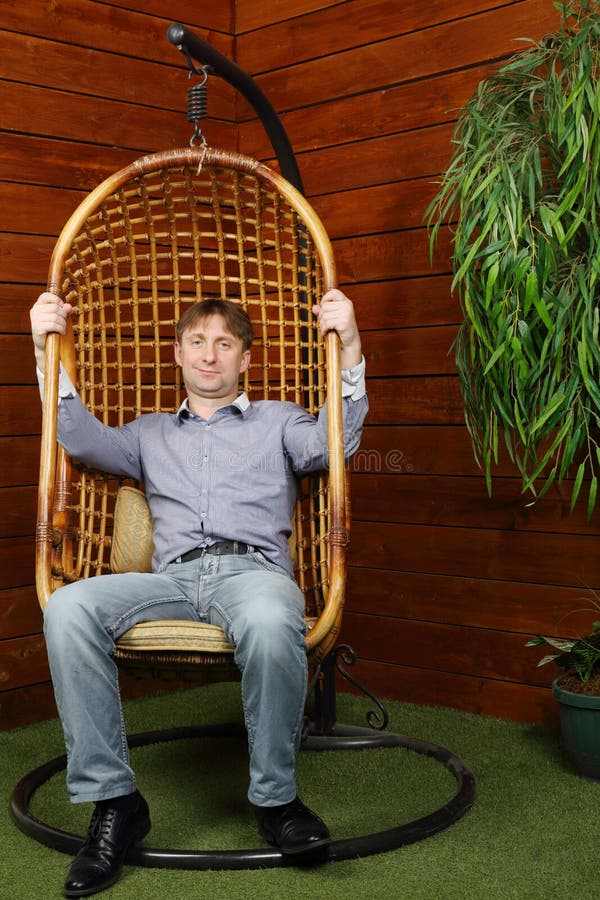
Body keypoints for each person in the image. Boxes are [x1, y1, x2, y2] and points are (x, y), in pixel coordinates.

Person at [30, 288, 367, 898]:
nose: (209, 355)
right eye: (197, 342)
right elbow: (76, 438)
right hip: (173, 579)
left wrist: (352, 348)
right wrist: (42, 348)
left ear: (243, 359)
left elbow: (334, 446)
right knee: (69, 607)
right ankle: (115, 804)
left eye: (224, 344)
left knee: (270, 619)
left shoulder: (281, 421)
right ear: (179, 355)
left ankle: (276, 802)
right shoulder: (148, 434)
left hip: (253, 575)